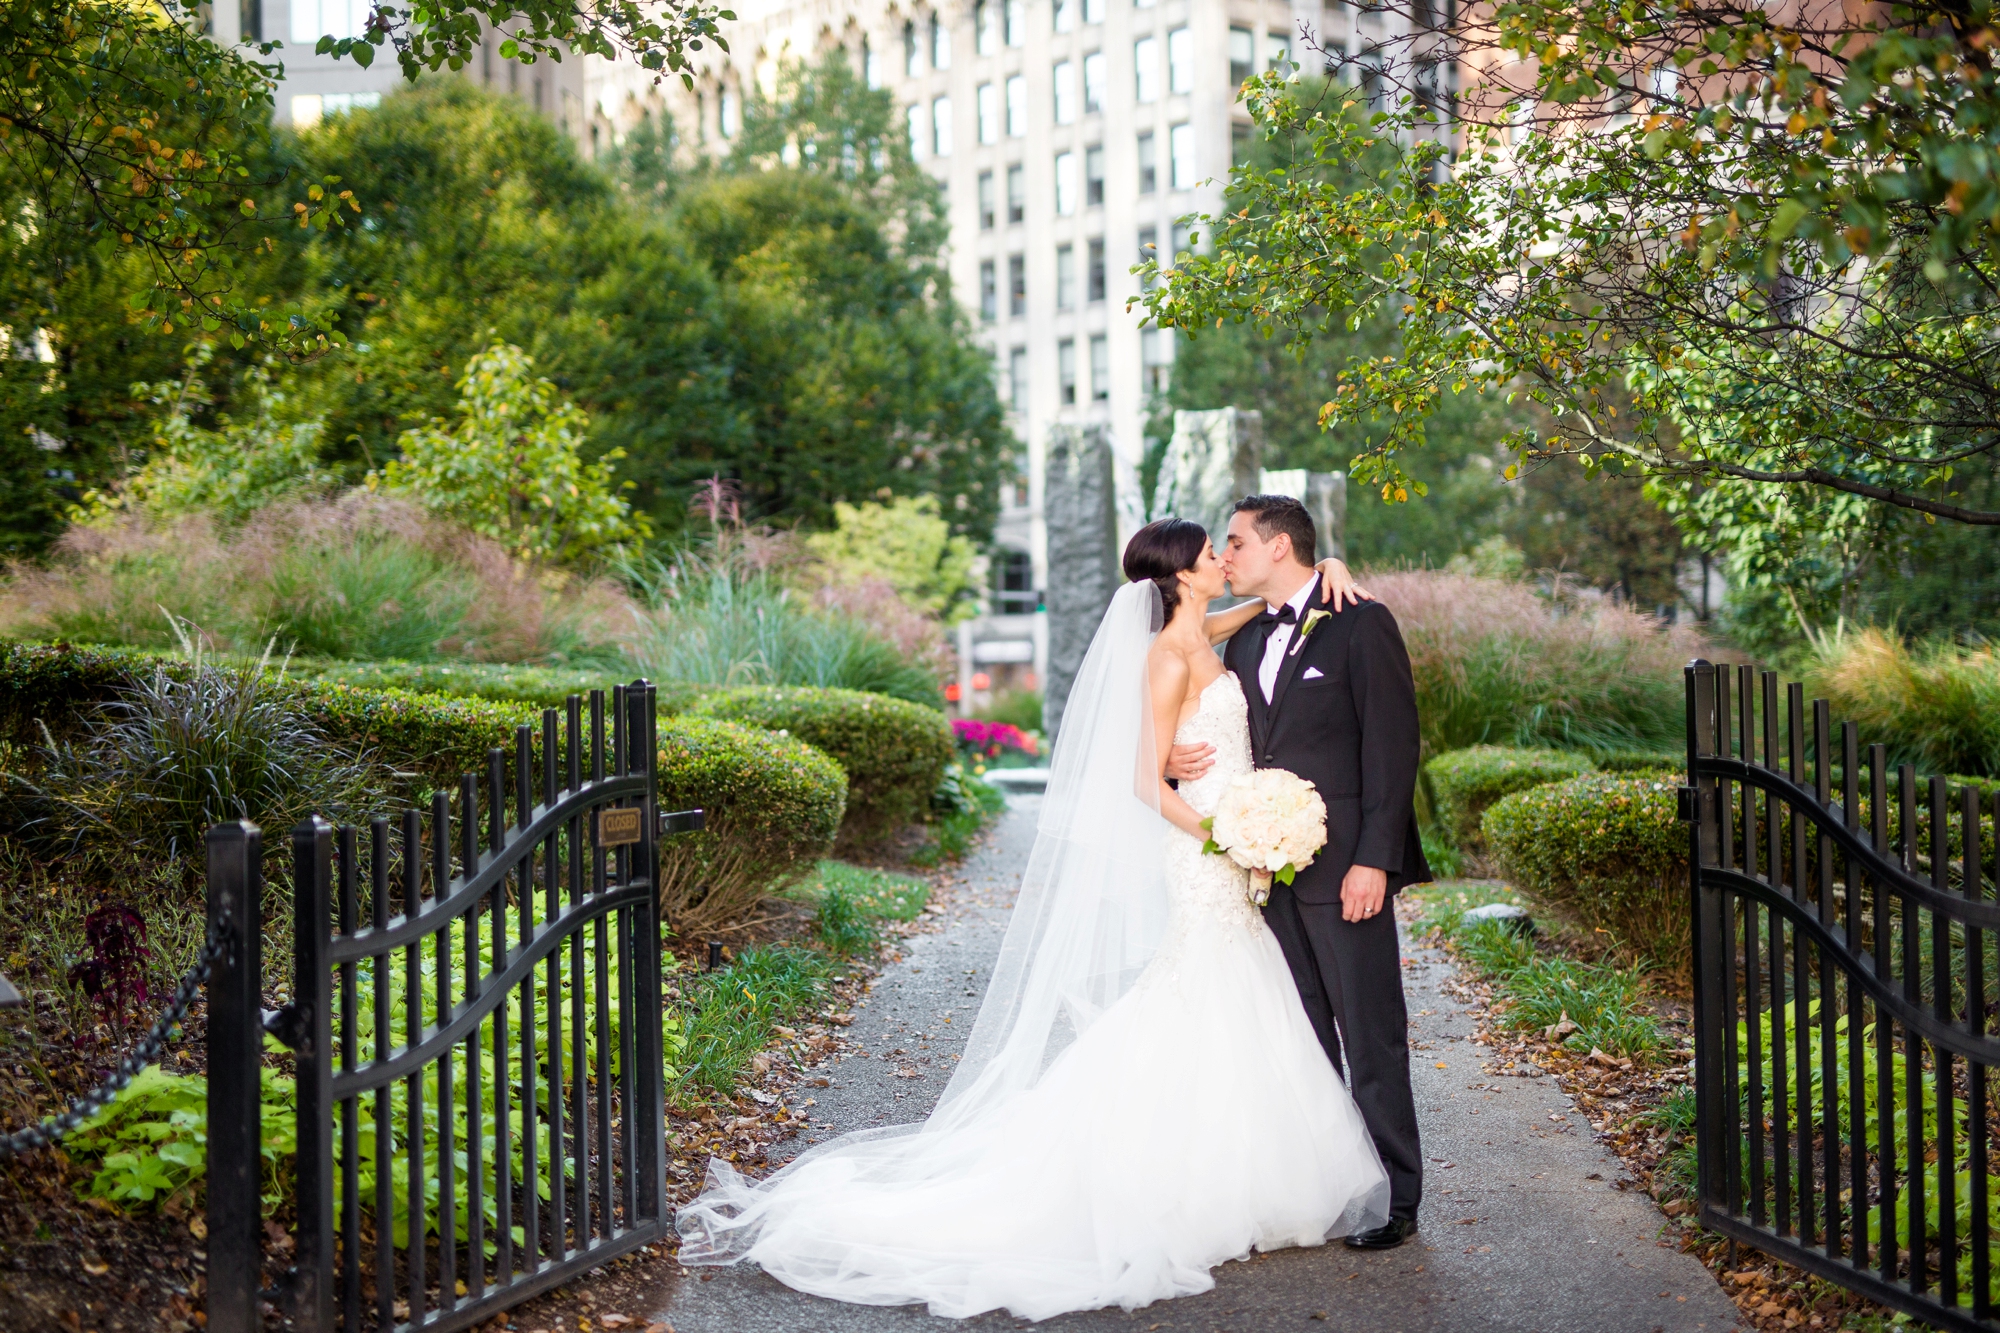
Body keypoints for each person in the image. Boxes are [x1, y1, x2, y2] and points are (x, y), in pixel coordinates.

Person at [675, 520, 1389, 1321]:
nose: (1225, 560)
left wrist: (1326, 559)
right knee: (1206, 987)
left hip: (1233, 848)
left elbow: (1253, 616)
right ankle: (1172, 1178)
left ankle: (1240, 1173)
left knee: (1228, 992)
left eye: (1231, 547)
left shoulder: (1202, 633)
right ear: (1184, 573)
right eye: (1212, 553)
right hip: (1207, 853)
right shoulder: (1163, 657)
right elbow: (1142, 783)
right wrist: (1229, 838)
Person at [1167, 494, 1431, 1250]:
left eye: (1237, 542)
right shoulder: (1244, 637)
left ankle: (1395, 1200)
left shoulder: (1362, 622)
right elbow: (1172, 696)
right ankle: (1330, 1190)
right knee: (1302, 1038)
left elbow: (1392, 747)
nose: (1226, 556)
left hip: (1345, 867)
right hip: (1262, 874)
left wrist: (1374, 859)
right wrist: (1165, 759)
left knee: (1371, 1035)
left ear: (1280, 546)